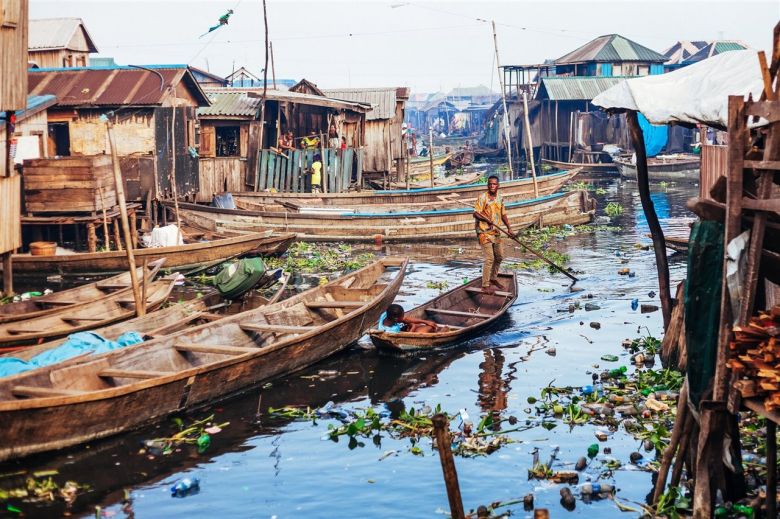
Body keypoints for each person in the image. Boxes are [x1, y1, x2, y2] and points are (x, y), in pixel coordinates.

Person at [473, 175, 515, 294]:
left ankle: (493, 278)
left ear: (498, 186)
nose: (492, 186)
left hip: (496, 232)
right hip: (484, 232)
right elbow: (475, 214)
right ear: (487, 185)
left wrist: (509, 228)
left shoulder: (500, 198)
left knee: (499, 256)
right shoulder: (482, 198)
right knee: (489, 258)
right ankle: (485, 285)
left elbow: (503, 214)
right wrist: (486, 220)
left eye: (494, 184)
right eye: (490, 184)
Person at [377, 303, 442, 333]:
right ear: (396, 319)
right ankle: (438, 331)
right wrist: (413, 327)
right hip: (402, 334)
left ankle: (426, 324)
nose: (404, 317)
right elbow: (407, 336)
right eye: (402, 315)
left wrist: (425, 321)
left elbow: (405, 319)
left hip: (402, 327)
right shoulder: (393, 330)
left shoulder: (384, 315)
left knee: (425, 324)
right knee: (429, 328)